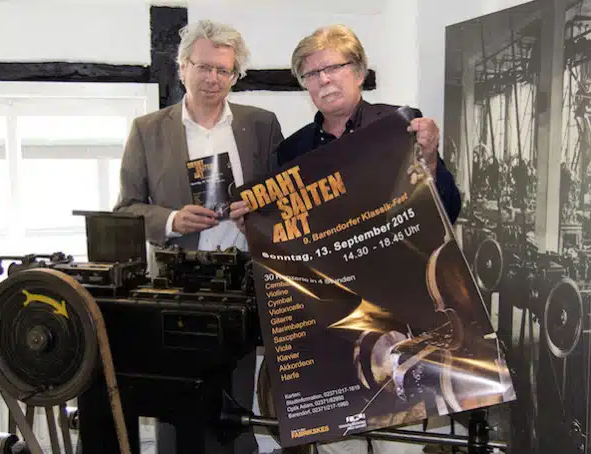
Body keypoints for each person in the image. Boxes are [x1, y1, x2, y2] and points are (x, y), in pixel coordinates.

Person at [230, 24, 461, 454]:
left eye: (332, 67)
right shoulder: (292, 152)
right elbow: (293, 247)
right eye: (311, 74)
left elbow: (448, 209)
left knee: (403, 443)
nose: (323, 80)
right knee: (342, 444)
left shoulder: (401, 125)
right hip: (334, 324)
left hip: (404, 314)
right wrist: (257, 232)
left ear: (357, 70)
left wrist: (429, 156)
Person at [114, 19, 283, 454]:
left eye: (224, 70)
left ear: (235, 74)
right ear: (182, 66)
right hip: (177, 289)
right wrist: (171, 219)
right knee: (177, 408)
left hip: (244, 288)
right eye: (204, 67)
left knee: (236, 408)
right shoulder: (147, 129)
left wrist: (259, 219)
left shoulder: (262, 125)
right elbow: (126, 209)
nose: (213, 79)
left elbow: (285, 202)